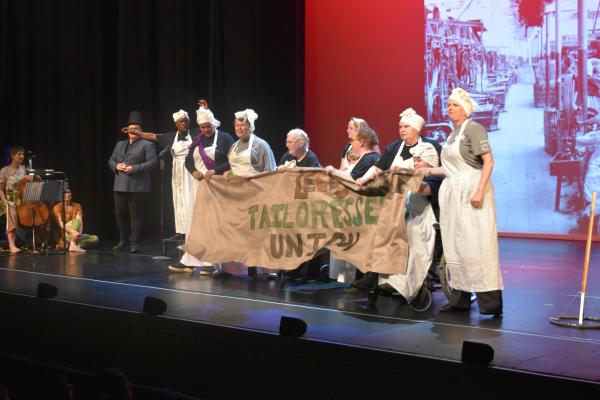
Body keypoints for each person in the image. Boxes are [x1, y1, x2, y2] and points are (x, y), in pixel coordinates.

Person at [422, 87, 504, 316]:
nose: (450, 108)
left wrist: (479, 191)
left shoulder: (474, 129)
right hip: (453, 192)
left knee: (477, 244)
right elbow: (450, 169)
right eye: (449, 105)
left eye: (455, 105)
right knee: (455, 244)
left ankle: (491, 303)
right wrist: (428, 169)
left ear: (466, 109)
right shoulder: (452, 134)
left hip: (471, 190)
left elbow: (488, 162)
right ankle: (460, 299)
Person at [353, 108, 442, 291]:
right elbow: (378, 168)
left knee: (409, 232)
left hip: (420, 206)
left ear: (417, 129)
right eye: (400, 126)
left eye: (406, 126)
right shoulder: (394, 147)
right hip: (395, 204)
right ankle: (380, 276)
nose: (402, 130)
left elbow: (432, 182)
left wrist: (410, 180)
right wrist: (364, 179)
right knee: (379, 229)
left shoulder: (429, 148)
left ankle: (405, 282)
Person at [168, 104, 235, 275]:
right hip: (199, 187)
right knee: (194, 223)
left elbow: (233, 161)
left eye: (208, 127)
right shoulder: (197, 140)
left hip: (218, 187)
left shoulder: (225, 138)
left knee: (212, 224)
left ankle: (211, 262)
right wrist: (194, 171)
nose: (205, 130)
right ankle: (190, 260)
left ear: (214, 124)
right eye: (203, 127)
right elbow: (188, 161)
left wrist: (216, 170)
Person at [123, 109, 198, 240]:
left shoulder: (196, 133)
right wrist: (136, 132)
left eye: (186, 121)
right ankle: (182, 230)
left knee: (191, 198)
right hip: (177, 171)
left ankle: (194, 230)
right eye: (181, 121)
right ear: (176, 124)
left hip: (191, 169)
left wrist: (205, 110)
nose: (184, 123)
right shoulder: (171, 136)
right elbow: (153, 136)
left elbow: (207, 125)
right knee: (179, 199)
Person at [325, 121, 380, 286]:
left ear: (362, 142)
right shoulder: (365, 158)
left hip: (364, 210)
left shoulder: (370, 158)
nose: (351, 144)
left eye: (353, 141)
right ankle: (358, 280)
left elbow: (353, 179)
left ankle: (364, 280)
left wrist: (333, 172)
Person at [224, 108, 277, 278]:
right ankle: (246, 266)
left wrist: (252, 178)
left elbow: (271, 172)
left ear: (250, 126)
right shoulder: (234, 146)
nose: (239, 128)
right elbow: (235, 169)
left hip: (257, 194)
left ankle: (267, 269)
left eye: (243, 125)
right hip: (237, 195)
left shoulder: (261, 145)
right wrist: (228, 173)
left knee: (258, 233)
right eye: (237, 125)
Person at [108, 111, 157, 253]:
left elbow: (153, 162)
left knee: (135, 215)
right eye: (130, 128)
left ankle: (135, 243)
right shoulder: (120, 144)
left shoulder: (147, 144)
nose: (133, 131)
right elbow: (111, 160)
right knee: (120, 213)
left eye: (136, 128)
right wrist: (116, 166)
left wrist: (134, 168)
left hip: (137, 185)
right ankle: (123, 240)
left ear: (141, 131)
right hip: (119, 184)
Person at [0, 146, 28, 254]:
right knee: (11, 212)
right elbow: (1, 190)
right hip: (9, 199)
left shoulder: (25, 169)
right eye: (19, 154)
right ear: (12, 156)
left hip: (22, 199)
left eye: (23, 154)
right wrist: (4, 200)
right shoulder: (4, 171)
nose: (22, 156)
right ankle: (12, 245)